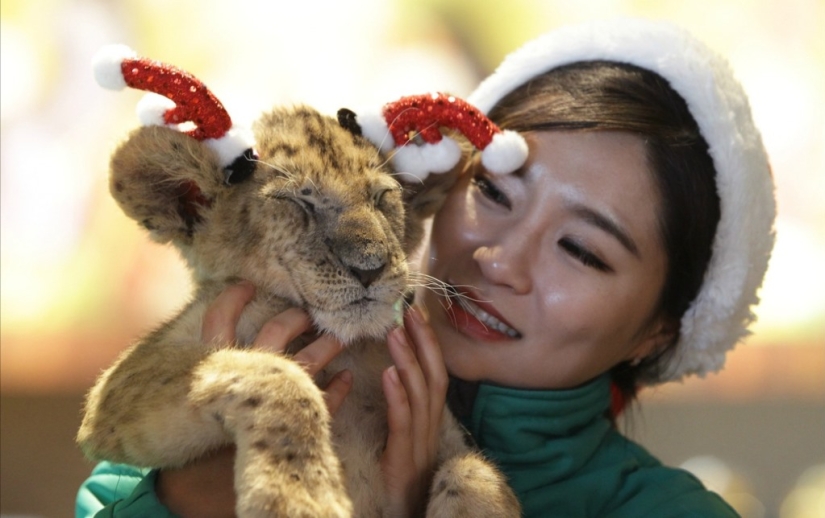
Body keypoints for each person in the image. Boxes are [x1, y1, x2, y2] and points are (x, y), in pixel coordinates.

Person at [76, 18, 776, 517]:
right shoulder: (163, 443)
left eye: (583, 250)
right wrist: (196, 492)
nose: (498, 259)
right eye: (495, 193)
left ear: (659, 330)